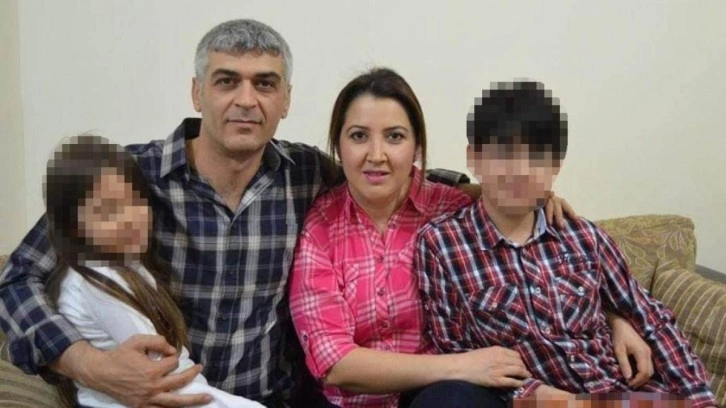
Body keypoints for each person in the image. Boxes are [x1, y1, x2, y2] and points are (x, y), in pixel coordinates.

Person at [0, 19, 520, 407]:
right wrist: (90, 364)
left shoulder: (304, 175)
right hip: (160, 398)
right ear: (197, 92)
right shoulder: (130, 180)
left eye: (265, 84)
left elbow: (389, 175)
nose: (246, 100)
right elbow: (18, 277)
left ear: (286, 100)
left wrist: (512, 195)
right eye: (227, 81)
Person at [288, 69, 654, 408]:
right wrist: (461, 365)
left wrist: (612, 318)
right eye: (358, 136)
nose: (376, 155)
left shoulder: (449, 208)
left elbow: (538, 266)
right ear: (338, 145)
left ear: (417, 148)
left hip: (439, 397)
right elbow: (333, 361)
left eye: (395, 136)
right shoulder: (321, 226)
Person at [414, 80, 718, 408]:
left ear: (556, 166)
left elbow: (651, 318)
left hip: (618, 392)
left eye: (536, 157)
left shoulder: (583, 237)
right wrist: (531, 394)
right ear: (474, 158)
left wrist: (700, 400)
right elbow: (456, 352)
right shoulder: (442, 245)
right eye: (504, 154)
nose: (520, 171)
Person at [43, 135, 263, 408]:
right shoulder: (96, 283)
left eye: (136, 202)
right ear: (73, 225)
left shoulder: (127, 266)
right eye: (108, 212)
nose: (130, 219)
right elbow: (163, 374)